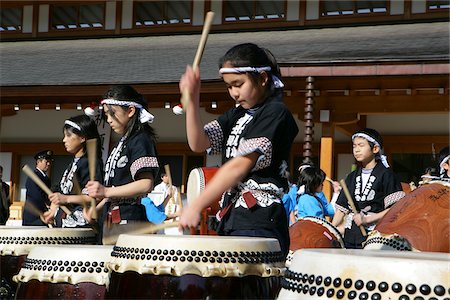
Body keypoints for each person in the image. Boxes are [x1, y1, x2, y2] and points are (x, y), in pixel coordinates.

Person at [178, 43, 299, 256]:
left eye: (238, 84)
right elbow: (198, 143)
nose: (233, 92)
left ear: (262, 78)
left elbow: (239, 167)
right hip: (232, 217)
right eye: (228, 86)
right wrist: (193, 98)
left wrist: (196, 205)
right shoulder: (236, 114)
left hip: (259, 218)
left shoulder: (275, 112)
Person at [85, 85, 159, 244]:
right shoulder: (123, 143)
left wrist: (105, 191)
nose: (109, 119)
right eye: (106, 115)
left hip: (130, 221)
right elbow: (114, 190)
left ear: (130, 111)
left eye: (112, 113)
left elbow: (146, 183)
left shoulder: (141, 140)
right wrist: (96, 208)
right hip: (113, 219)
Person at [332, 128, 402, 249]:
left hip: (376, 237)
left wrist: (369, 218)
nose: (356, 150)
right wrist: (331, 229)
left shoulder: (387, 175)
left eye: (361, 145)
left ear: (375, 148)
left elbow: (396, 208)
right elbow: (341, 209)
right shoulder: (351, 177)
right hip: (350, 236)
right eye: (354, 146)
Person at [43, 115, 104, 228]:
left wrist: (66, 199)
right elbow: (62, 193)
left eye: (68, 135)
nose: (64, 140)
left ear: (82, 138)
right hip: (65, 223)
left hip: (80, 225)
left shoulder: (90, 163)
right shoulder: (74, 162)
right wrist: (52, 211)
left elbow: (95, 196)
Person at [23, 150, 53, 226]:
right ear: (39, 162)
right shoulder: (33, 176)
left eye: (49, 162)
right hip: (33, 214)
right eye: (46, 162)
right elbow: (36, 196)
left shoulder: (46, 178)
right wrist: (48, 206)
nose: (48, 164)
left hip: (44, 214)